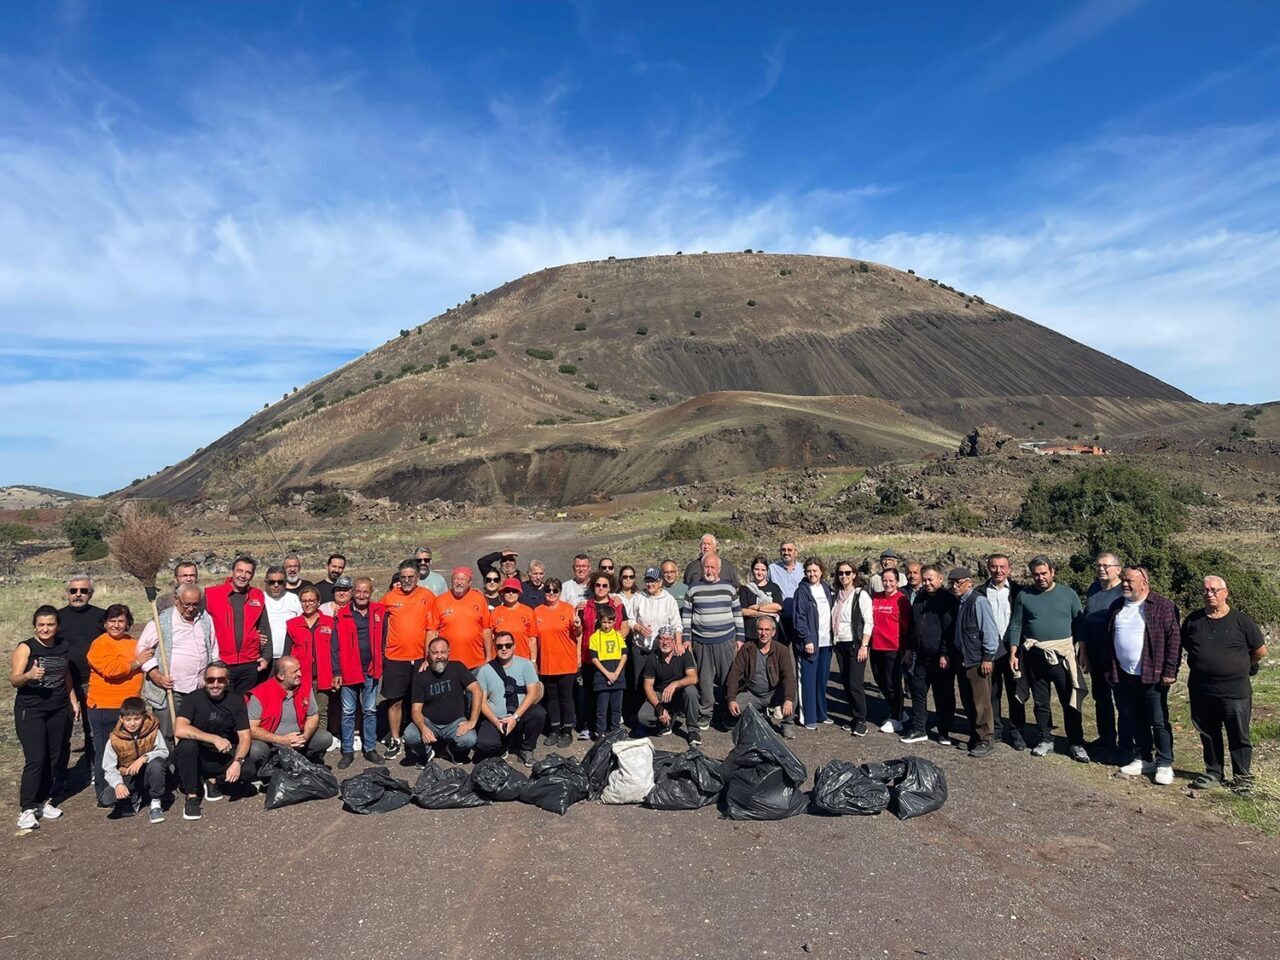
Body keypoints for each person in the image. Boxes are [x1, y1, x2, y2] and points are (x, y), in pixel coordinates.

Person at [1182, 575, 1268, 794]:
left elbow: (1260, 651)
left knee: (1239, 734)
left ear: (1225, 593)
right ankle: (1214, 772)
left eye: (1214, 590)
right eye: (1205, 590)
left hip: (1235, 691)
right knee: (1208, 733)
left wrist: (1242, 665)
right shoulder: (1193, 621)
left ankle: (1242, 777)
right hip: (1202, 689)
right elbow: (1186, 646)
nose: (1209, 594)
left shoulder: (1241, 621)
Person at [1009, 555, 1088, 761]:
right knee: (1040, 701)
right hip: (1035, 657)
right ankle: (1045, 739)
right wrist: (1013, 652)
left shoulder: (1068, 594)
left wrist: (1083, 650)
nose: (1040, 578)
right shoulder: (1024, 596)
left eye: (1044, 573)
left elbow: (1079, 623)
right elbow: (1016, 624)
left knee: (1070, 701)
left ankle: (1076, 743)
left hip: (1063, 657)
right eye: (1036, 575)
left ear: (1052, 572)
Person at [1108, 566, 1181, 784]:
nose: (1124, 584)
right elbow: (1108, 638)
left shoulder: (1163, 606)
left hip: (1153, 674)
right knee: (1134, 717)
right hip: (1124, 674)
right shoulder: (1117, 606)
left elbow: (1174, 640)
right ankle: (1143, 757)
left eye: (1129, 581)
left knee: (1158, 720)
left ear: (1144, 584)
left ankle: (1165, 763)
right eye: (1123, 580)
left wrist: (1170, 670)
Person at [12, 605, 76, 830]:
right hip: (31, 710)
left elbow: (66, 673)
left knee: (53, 757)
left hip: (58, 707)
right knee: (36, 759)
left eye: (50, 624)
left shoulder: (63, 645)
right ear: (35, 626)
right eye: (41, 625)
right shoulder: (26, 647)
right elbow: (14, 679)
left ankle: (42, 801)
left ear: (57, 626)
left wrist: (73, 700)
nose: (45, 629)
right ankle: (27, 808)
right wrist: (29, 675)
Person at [173, 661, 251, 821]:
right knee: (187, 746)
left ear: (227, 681)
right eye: (210, 680)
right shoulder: (192, 699)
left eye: (220, 680)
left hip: (221, 754)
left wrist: (237, 762)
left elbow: (245, 736)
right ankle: (192, 796)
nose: (215, 684)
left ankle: (213, 780)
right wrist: (214, 738)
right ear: (204, 680)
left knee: (248, 769)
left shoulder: (236, 701)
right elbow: (179, 729)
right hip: (197, 755)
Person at [137, 584, 216, 738]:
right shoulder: (161, 620)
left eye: (195, 604)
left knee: (196, 731)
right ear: (176, 600)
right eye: (187, 604)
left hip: (198, 687)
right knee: (169, 733)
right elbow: (142, 649)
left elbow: (213, 648)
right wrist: (155, 675)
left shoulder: (205, 618)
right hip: (171, 689)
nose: (191, 609)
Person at [86, 605, 145, 806]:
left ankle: (127, 790)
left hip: (130, 708)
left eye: (121, 621)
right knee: (106, 751)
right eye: (112, 621)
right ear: (105, 623)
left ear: (128, 623)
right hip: (105, 706)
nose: (116, 625)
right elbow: (112, 670)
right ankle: (105, 794)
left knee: (128, 751)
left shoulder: (133, 643)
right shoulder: (99, 644)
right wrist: (137, 662)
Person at [681, 555, 745, 731]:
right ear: (702, 568)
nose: (709, 571)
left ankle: (727, 711)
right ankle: (706, 713)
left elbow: (737, 613)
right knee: (705, 679)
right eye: (706, 567)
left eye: (712, 567)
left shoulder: (729, 588)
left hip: (725, 639)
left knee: (727, 677)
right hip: (701, 641)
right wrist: (686, 638)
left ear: (719, 569)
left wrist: (740, 637)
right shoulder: (693, 589)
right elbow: (686, 616)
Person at [378, 562, 434, 761]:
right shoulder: (390, 597)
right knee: (395, 701)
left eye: (411, 577)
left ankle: (420, 738)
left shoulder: (427, 596)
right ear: (399, 578)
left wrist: (428, 656)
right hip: (395, 658)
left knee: (419, 700)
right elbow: (375, 617)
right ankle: (395, 739)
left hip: (420, 658)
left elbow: (433, 627)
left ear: (418, 577)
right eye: (404, 577)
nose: (407, 580)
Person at [330, 579, 386, 767]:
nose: (362, 596)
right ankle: (347, 751)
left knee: (370, 710)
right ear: (353, 593)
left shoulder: (379, 612)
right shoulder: (342, 615)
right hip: (349, 670)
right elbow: (334, 645)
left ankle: (370, 748)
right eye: (358, 592)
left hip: (370, 669)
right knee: (348, 712)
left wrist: (381, 660)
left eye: (366, 592)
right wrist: (337, 671)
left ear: (371, 592)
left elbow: (384, 638)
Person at [246, 656, 335, 772]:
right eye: (295, 672)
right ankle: (265, 770)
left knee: (324, 738)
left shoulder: (304, 688)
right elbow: (252, 729)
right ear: (281, 676)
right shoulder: (260, 694)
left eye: (299, 669)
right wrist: (281, 740)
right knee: (255, 750)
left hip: (298, 739)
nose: (300, 674)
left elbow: (313, 716)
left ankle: (304, 762)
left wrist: (305, 737)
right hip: (270, 742)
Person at [948, 569, 1001, 758]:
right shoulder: (960, 602)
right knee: (968, 700)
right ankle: (975, 736)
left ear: (969, 583)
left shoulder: (979, 601)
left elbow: (989, 631)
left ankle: (986, 739)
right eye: (951, 583)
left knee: (981, 702)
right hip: (964, 658)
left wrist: (987, 657)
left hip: (977, 659)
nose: (954, 586)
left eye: (958, 582)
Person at [903, 565, 958, 745]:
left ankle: (944, 731)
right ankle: (919, 728)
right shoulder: (919, 598)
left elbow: (949, 630)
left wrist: (945, 653)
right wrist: (909, 648)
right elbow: (913, 625)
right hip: (921, 655)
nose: (927, 583)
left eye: (930, 579)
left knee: (943, 695)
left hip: (940, 656)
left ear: (940, 578)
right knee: (918, 692)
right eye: (924, 579)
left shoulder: (949, 600)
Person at [474, 631, 547, 766]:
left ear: (514, 646)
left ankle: (527, 748)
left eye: (508, 645)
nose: (504, 649)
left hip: (519, 715)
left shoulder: (526, 665)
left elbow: (533, 692)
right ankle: (504, 744)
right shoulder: (485, 670)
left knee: (539, 713)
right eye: (500, 646)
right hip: (497, 718)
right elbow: (481, 702)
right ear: (494, 647)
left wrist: (515, 717)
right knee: (484, 745)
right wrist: (496, 721)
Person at [404, 638, 482, 763]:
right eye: (435, 653)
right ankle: (427, 751)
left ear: (448, 653)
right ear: (429, 654)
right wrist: (423, 728)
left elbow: (477, 691)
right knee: (410, 735)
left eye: (443, 652)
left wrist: (472, 721)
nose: (440, 656)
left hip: (455, 722)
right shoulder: (421, 676)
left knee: (469, 740)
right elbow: (416, 710)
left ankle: (450, 749)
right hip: (429, 722)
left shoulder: (458, 667)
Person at [204, 555, 271, 696]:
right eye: (239, 571)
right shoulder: (212, 594)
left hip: (250, 662)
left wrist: (266, 657)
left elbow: (264, 627)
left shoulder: (257, 595)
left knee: (244, 703)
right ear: (232, 571)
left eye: (248, 572)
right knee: (223, 702)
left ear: (252, 575)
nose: (243, 576)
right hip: (221, 661)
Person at [980, 553, 1027, 750]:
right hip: (990, 649)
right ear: (988, 568)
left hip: (1013, 649)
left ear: (1009, 569)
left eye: (1002, 567)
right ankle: (996, 730)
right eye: (994, 566)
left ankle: (1017, 732)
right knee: (992, 692)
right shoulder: (980, 592)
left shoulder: (1019, 591)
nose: (998, 571)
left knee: (1015, 691)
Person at [574, 573, 630, 740]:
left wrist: (620, 636)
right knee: (591, 693)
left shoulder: (617, 605)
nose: (601, 588)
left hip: (612, 656)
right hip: (590, 655)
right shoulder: (585, 606)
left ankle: (612, 729)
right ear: (593, 587)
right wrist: (578, 654)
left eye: (604, 585)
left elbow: (625, 626)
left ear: (610, 587)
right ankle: (591, 726)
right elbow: (579, 632)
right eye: (598, 585)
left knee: (611, 697)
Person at [57, 573, 104, 768]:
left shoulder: (102, 616)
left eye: (83, 590)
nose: (78, 594)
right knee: (61, 731)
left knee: (93, 729)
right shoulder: (57, 618)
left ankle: (94, 769)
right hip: (63, 683)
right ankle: (59, 773)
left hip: (93, 681)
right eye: (73, 590)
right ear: (66, 593)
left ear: (91, 593)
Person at [726, 616, 798, 739]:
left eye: (767, 630)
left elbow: (789, 677)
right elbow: (734, 674)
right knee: (736, 705)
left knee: (792, 695)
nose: (763, 633)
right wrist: (731, 699)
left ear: (773, 632)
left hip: (774, 693)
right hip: (753, 694)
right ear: (756, 631)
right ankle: (760, 714)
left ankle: (787, 724)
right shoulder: (747, 648)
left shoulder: (782, 650)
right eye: (760, 629)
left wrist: (788, 699)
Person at [101, 696, 169, 823]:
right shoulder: (114, 740)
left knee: (157, 764)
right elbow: (109, 768)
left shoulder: (153, 730)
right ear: (121, 719)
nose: (132, 723)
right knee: (107, 798)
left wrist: (145, 758)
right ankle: (134, 796)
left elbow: (164, 752)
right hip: (129, 775)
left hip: (149, 772)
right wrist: (118, 784)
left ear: (144, 717)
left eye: (137, 719)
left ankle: (156, 802)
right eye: (128, 719)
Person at [1083, 552, 1124, 761]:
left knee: (1122, 701)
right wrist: (1083, 651)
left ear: (1118, 569)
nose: (1101, 569)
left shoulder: (1124, 592)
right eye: (1098, 565)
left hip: (1117, 657)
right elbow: (1085, 620)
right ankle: (1106, 739)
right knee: (1101, 698)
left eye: (1106, 565)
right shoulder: (1093, 589)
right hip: (1095, 654)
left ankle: (1126, 744)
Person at [534, 578, 581, 747]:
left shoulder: (568, 609)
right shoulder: (537, 611)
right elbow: (533, 638)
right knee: (551, 698)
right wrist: (534, 660)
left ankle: (567, 731)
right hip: (546, 662)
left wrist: (578, 626)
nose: (551, 593)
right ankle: (554, 730)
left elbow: (578, 633)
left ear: (560, 592)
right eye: (548, 590)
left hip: (566, 661)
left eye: (555, 590)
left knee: (566, 697)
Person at [831, 563, 873, 736]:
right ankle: (854, 717)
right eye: (841, 573)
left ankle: (862, 720)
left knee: (855, 683)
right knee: (846, 682)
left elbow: (868, 621)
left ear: (854, 574)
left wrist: (864, 645)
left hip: (855, 644)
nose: (844, 576)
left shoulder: (860, 595)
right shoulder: (836, 596)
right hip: (840, 642)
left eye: (848, 573)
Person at [792, 557, 834, 730]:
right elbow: (799, 618)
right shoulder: (802, 591)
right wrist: (807, 639)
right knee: (808, 680)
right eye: (809, 571)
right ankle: (808, 717)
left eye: (815, 571)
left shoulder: (826, 588)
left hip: (826, 642)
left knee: (821, 680)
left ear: (821, 571)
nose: (812, 574)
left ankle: (821, 713)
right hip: (810, 643)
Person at [638, 626, 700, 742]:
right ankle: (666, 722)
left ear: (674, 641)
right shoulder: (652, 658)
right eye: (662, 639)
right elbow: (648, 686)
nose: (665, 642)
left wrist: (674, 684)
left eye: (668, 639)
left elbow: (693, 678)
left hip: (679, 693)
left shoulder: (684, 654)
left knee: (691, 691)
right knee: (643, 717)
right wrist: (659, 708)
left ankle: (693, 730)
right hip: (661, 695)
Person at [427, 567, 494, 672]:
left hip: (476, 662)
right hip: (448, 662)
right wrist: (427, 659)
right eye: (456, 578)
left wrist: (489, 657)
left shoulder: (479, 598)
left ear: (470, 583)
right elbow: (432, 631)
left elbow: (486, 629)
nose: (459, 582)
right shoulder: (440, 600)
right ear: (451, 580)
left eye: (463, 579)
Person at [870, 568, 910, 733]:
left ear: (897, 582)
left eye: (891, 581)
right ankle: (899, 710)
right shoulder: (875, 597)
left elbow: (907, 627)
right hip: (875, 646)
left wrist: (906, 649)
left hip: (893, 648)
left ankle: (896, 717)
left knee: (892, 682)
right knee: (880, 679)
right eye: (885, 581)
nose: (887, 584)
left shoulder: (902, 600)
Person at [588, 605, 628, 737]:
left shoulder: (618, 636)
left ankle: (615, 731)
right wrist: (607, 673)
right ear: (599, 621)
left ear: (614, 621)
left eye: (610, 622)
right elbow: (594, 658)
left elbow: (624, 655)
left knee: (617, 708)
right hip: (602, 677)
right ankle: (601, 733)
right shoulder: (595, 637)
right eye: (604, 622)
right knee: (602, 709)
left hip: (618, 676)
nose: (607, 625)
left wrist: (616, 673)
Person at [491, 578, 539, 662]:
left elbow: (532, 639)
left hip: (523, 659)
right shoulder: (495, 612)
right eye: (507, 591)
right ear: (503, 593)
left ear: (519, 593)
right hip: (501, 661)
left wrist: (533, 661)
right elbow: (491, 638)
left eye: (514, 591)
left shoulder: (528, 611)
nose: (511, 593)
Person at [262, 566, 303, 661]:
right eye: (272, 582)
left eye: (280, 582)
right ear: (266, 582)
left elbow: (303, 624)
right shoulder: (260, 599)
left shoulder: (293, 599)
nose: (276, 585)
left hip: (289, 656)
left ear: (285, 582)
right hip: (264, 657)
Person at [741, 556, 784, 645]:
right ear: (752, 570)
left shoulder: (774, 587)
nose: (760, 572)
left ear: (767, 571)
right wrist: (765, 613)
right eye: (757, 569)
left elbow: (778, 607)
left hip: (771, 634)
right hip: (751, 633)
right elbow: (743, 611)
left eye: (763, 570)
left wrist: (757, 607)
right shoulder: (745, 589)